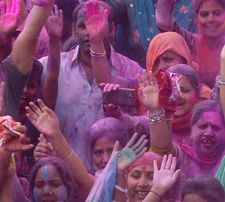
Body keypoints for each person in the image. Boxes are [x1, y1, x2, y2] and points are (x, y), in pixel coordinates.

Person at [39, 1, 143, 172]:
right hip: (62, 178)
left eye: (98, 23)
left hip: (114, 177)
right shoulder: (50, 67)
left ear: (112, 29)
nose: (89, 32)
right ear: (73, 30)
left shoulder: (133, 72)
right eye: (83, 26)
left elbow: (138, 124)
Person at [156, 0, 225, 87]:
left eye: (217, 13)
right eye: (204, 14)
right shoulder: (190, 42)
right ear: (197, 18)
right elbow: (164, 24)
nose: (211, 19)